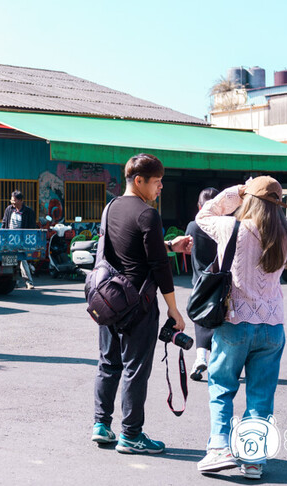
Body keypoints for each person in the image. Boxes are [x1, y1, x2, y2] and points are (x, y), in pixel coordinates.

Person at [195, 176, 287, 480]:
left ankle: (219, 449)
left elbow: (203, 215)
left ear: (249, 199)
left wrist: (236, 191)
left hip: (235, 322)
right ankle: (253, 459)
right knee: (261, 395)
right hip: (273, 327)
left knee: (222, 386)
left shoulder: (231, 228)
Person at [92, 153, 192, 455]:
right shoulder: (148, 214)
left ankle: (101, 425)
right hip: (139, 305)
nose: (160, 187)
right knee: (136, 368)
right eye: (157, 182)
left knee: (109, 363)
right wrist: (174, 309)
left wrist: (167, 246)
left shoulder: (110, 209)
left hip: (109, 301)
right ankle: (131, 435)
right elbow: (159, 267)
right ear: (140, 181)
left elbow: (125, 249)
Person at [184, 187, 220, 381]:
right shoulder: (226, 225)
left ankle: (200, 357)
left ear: (199, 207)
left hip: (199, 280)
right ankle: (217, 362)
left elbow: (188, 251)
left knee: (200, 318)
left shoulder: (193, 226)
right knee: (220, 319)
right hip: (222, 280)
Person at [1, 190, 37, 289]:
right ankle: (13, 281)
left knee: (22, 259)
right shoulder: (9, 209)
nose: (12, 202)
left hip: (22, 241)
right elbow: (4, 223)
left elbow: (32, 227)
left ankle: (29, 282)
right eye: (11, 200)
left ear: (21, 200)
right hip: (9, 240)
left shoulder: (28, 211)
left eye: (14, 200)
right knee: (9, 260)